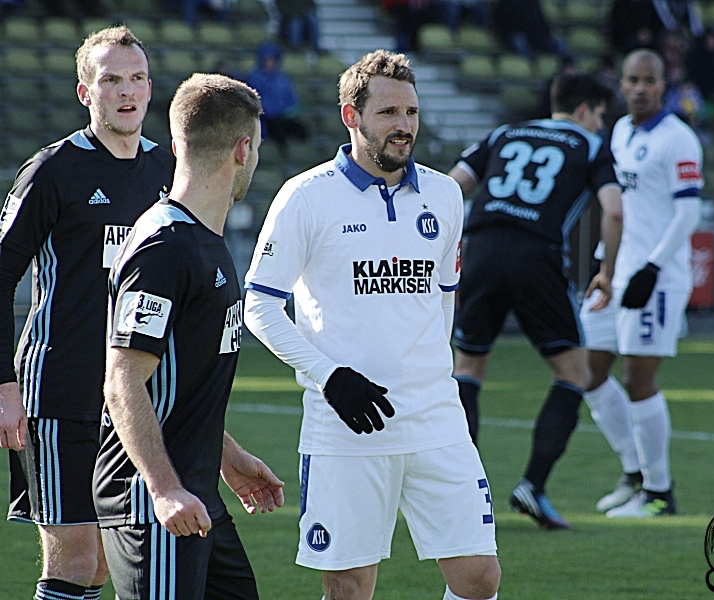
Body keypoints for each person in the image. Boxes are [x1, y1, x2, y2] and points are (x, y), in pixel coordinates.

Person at [243, 49, 501, 600]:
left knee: (479, 577)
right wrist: (330, 376)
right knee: (351, 588)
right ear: (351, 116)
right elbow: (259, 307)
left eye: (410, 112)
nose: (404, 126)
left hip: (436, 418)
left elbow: (443, 303)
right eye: (388, 113)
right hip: (345, 427)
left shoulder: (445, 194)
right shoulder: (306, 196)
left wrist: (435, 377)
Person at [0, 26, 175, 600]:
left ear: (151, 89)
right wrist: (5, 386)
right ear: (85, 92)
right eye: (111, 80)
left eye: (137, 78)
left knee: (105, 562)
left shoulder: (168, 172)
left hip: (137, 399)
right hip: (60, 391)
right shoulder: (51, 171)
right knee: (75, 558)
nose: (127, 91)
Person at [96, 72, 285, 599]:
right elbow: (123, 381)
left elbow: (177, 381)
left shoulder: (204, 239)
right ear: (244, 149)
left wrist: (227, 455)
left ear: (178, 144)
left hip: (197, 491)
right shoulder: (165, 245)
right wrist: (163, 489)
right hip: (154, 501)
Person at [449, 73, 620, 530]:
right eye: (600, 116)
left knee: (467, 369)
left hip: (480, 249)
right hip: (536, 255)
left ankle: (464, 494)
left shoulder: (505, 133)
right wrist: (608, 271)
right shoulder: (589, 145)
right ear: (584, 110)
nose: (601, 126)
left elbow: (451, 186)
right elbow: (615, 208)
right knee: (574, 374)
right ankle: (533, 485)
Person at [587, 48, 703, 518]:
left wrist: (651, 268)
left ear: (663, 85)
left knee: (638, 378)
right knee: (588, 371)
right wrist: (605, 266)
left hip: (657, 277)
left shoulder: (679, 139)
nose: (639, 88)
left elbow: (688, 211)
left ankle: (659, 493)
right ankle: (634, 475)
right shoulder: (619, 130)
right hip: (616, 272)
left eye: (648, 81)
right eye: (631, 79)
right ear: (621, 83)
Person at [244, 41, 310, 159]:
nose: (270, 63)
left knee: (302, 131)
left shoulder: (282, 78)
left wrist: (289, 111)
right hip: (266, 118)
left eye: (273, 59)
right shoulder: (255, 77)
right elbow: (255, 101)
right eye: (268, 59)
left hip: (283, 117)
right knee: (277, 130)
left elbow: (292, 101)